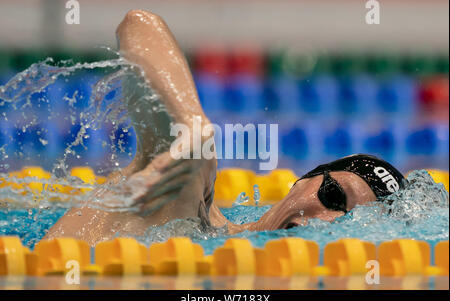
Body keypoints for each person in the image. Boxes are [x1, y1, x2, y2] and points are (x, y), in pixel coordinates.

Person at [44, 10, 406, 246]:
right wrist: (192, 126)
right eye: (333, 196)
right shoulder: (182, 197)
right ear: (304, 179)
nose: (326, 221)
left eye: (348, 223)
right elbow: (139, 25)